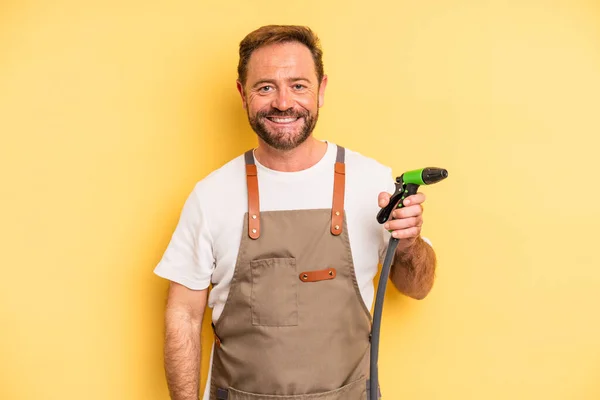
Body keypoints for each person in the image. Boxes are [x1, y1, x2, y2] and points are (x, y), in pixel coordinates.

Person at [154, 25, 437, 400]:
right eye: (266, 87)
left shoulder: (373, 182)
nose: (284, 102)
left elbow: (417, 288)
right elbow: (183, 317)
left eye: (299, 85)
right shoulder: (212, 196)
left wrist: (409, 243)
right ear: (243, 93)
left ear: (321, 89)